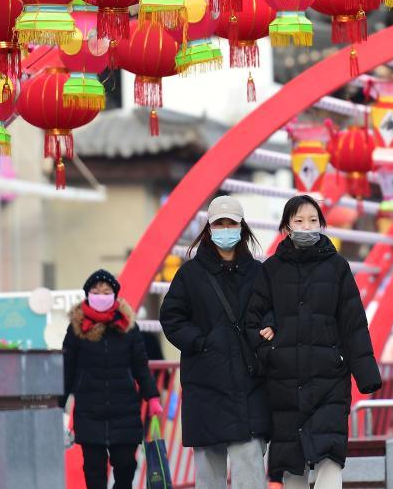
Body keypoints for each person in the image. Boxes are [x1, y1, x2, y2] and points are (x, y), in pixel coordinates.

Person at [246, 195, 382, 489]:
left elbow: (353, 323)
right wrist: (269, 352)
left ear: (322, 224)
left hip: (329, 379)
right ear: (286, 226)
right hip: (285, 381)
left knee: (330, 457)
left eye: (312, 220)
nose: (306, 226)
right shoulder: (271, 269)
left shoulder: (337, 267)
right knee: (292, 463)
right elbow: (252, 321)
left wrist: (366, 374)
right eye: (298, 220)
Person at [159, 196, 270, 489]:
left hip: (249, 384)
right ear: (208, 229)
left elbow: (272, 311)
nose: (225, 229)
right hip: (206, 383)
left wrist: (269, 329)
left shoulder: (259, 273)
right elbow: (171, 317)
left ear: (242, 227)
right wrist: (200, 343)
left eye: (231, 223)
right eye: (218, 223)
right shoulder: (190, 274)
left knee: (250, 468)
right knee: (209, 474)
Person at [61, 269, 163, 489]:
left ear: (115, 295)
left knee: (126, 468)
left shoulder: (128, 326)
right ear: (88, 294)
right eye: (96, 291)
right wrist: (58, 405)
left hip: (124, 410)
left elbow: (140, 366)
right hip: (89, 412)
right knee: (93, 471)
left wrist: (152, 397)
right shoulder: (77, 328)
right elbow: (66, 369)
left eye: (106, 291)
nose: (101, 295)